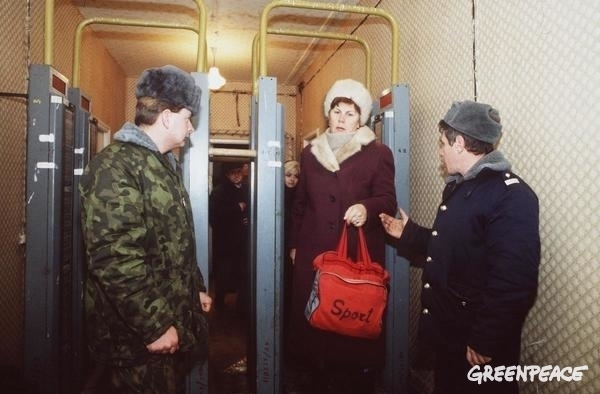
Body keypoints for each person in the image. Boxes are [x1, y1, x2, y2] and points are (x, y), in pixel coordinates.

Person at [379, 100, 540, 394]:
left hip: (478, 346)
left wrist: (485, 338)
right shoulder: (460, 187)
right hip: (452, 335)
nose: (440, 151)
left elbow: (515, 280)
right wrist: (409, 234)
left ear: (460, 143)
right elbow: (455, 248)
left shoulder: (511, 196)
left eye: (442, 143)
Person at [79, 65, 212, 394]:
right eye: (187, 117)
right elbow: (115, 258)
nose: (191, 128)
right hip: (136, 342)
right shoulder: (115, 166)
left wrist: (193, 288)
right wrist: (154, 327)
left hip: (166, 328)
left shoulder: (161, 164)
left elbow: (175, 241)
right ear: (167, 117)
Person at [288, 79, 397, 393]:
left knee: (348, 321)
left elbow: (388, 200)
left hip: (352, 251)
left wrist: (367, 206)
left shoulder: (378, 153)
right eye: (337, 110)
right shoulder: (310, 154)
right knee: (314, 322)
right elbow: (301, 204)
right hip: (314, 251)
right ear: (328, 113)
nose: (342, 118)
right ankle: (315, 378)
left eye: (350, 113)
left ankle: (352, 381)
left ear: (361, 118)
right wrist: (295, 244)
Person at [209, 161, 250, 316]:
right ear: (226, 175)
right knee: (223, 273)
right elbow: (213, 215)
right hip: (225, 240)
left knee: (242, 272)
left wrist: (248, 219)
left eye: (239, 171)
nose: (237, 175)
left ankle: (241, 306)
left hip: (243, 239)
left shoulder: (248, 188)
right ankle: (219, 304)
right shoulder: (219, 190)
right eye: (232, 172)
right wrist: (236, 209)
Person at [282, 160, 300, 352]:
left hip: (292, 246)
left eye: (296, 176)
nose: (292, 180)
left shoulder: (299, 196)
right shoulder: (276, 194)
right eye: (289, 175)